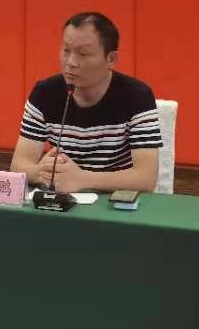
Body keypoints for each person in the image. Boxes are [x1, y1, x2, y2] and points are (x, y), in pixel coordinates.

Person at [10, 12, 161, 195]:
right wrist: (41, 172)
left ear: (111, 59)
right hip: (63, 200)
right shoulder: (44, 93)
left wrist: (82, 179)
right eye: (66, 50)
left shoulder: (137, 96)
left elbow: (145, 178)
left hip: (114, 200)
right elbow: (19, 165)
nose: (71, 62)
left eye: (83, 54)